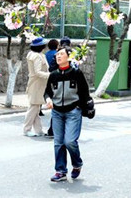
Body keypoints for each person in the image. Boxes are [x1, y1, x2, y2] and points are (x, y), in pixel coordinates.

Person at [45, 46, 91, 182]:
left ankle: (77, 164)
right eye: (57, 55)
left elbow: (84, 92)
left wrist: (82, 107)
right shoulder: (53, 75)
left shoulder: (76, 73)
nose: (58, 56)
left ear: (68, 57)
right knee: (58, 143)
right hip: (57, 112)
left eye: (61, 54)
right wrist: (48, 99)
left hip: (73, 111)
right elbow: (47, 92)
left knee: (70, 141)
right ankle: (60, 171)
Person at [23, 37, 51, 137]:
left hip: (37, 84)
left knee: (36, 108)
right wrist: (51, 75)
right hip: (36, 84)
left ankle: (38, 130)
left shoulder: (34, 55)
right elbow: (37, 72)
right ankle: (26, 129)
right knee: (33, 107)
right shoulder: (37, 56)